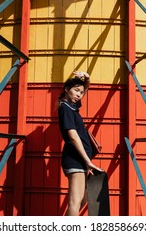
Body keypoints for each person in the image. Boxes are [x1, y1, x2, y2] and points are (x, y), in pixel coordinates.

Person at [57, 71, 104, 216]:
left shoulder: (72, 107)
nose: (79, 94)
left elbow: (85, 89)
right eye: (76, 90)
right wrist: (87, 161)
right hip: (75, 160)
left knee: (82, 199)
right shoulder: (65, 108)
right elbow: (73, 136)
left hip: (80, 161)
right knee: (75, 202)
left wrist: (87, 79)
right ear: (66, 89)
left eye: (81, 92)